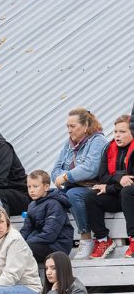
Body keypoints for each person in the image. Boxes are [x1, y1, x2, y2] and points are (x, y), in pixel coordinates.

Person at [50, 108, 108, 259]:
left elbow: (90, 168)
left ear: (86, 125)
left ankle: (86, 238)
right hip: (73, 185)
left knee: (73, 195)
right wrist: (61, 177)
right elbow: (55, 169)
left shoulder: (97, 141)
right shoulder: (68, 144)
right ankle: (56, 242)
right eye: (67, 127)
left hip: (92, 187)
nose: (69, 130)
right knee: (51, 196)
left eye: (73, 126)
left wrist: (66, 177)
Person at [84, 115, 134, 258]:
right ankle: (103, 239)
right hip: (118, 196)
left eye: (122, 132)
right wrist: (119, 177)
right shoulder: (109, 148)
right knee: (91, 196)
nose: (117, 135)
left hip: (130, 196)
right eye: (115, 131)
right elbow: (103, 176)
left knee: (128, 191)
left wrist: (109, 187)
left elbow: (130, 182)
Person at [19, 170, 74, 263]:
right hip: (41, 243)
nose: (31, 190)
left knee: (24, 250)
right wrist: (16, 241)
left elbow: (50, 234)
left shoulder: (54, 204)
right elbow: (26, 229)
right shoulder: (32, 205)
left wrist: (25, 243)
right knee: (15, 248)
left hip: (58, 247)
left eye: (35, 186)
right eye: (29, 187)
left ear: (46, 187)